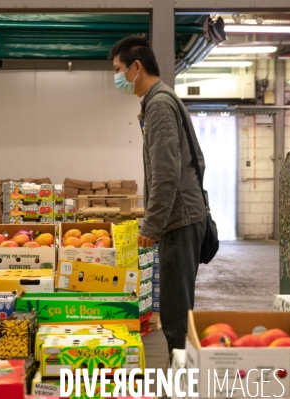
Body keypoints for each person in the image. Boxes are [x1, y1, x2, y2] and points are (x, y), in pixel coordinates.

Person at [109, 36, 208, 354]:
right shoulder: (160, 101)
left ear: (136, 67)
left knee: (176, 312)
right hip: (182, 215)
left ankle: (181, 383)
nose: (117, 77)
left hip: (178, 219)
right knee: (178, 307)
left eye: (118, 69)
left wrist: (151, 226)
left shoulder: (160, 105)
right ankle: (181, 375)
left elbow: (166, 172)